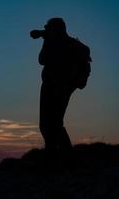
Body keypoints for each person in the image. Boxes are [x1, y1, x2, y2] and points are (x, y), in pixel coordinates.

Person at [31, 18, 83, 156]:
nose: (46, 30)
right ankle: (59, 154)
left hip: (56, 86)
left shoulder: (61, 44)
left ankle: (61, 155)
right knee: (54, 122)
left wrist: (46, 40)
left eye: (48, 27)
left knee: (49, 123)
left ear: (55, 28)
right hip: (61, 86)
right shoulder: (70, 43)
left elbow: (42, 60)